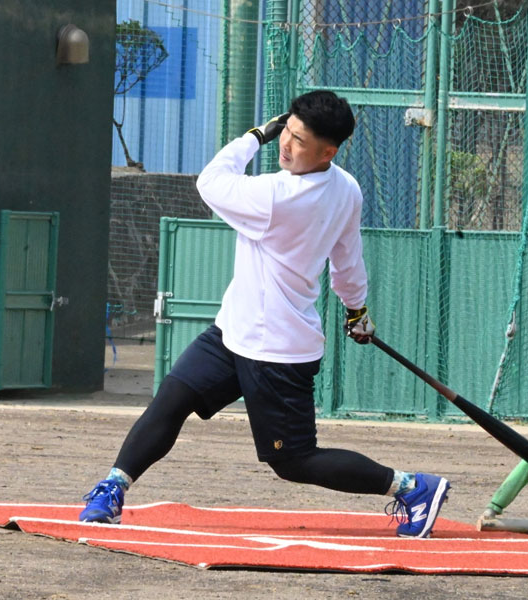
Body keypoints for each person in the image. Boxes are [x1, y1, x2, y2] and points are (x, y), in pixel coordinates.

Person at [80, 90, 450, 538]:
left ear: (327, 151)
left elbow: (211, 181)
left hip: (276, 347)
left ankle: (412, 486)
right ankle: (112, 488)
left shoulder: (278, 195)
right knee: (171, 400)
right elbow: (348, 262)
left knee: (292, 461)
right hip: (235, 330)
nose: (286, 144)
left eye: (298, 139)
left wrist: (256, 134)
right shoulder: (346, 187)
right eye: (286, 132)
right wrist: (356, 310)